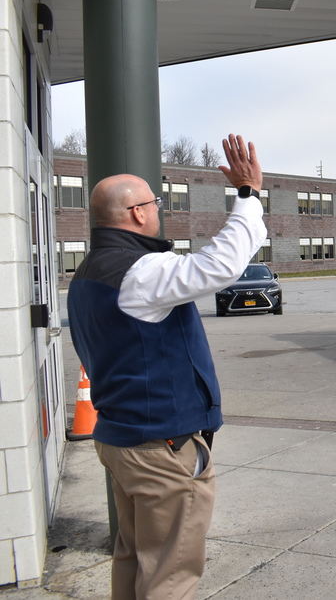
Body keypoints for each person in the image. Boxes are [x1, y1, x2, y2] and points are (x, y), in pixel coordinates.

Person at [67, 134, 267, 599]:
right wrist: (248, 196)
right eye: (155, 202)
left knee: (135, 559)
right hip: (161, 448)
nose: (159, 210)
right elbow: (220, 265)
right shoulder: (140, 272)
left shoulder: (87, 274)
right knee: (169, 577)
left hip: (120, 441)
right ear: (138, 212)